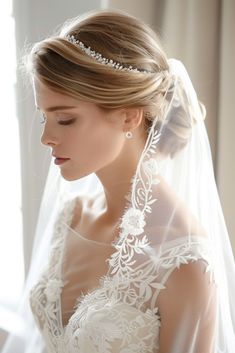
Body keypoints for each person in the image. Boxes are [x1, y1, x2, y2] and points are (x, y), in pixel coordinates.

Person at [3, 8, 235, 353]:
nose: (47, 138)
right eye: (44, 118)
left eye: (65, 119)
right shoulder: (73, 215)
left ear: (129, 116)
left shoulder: (184, 264)